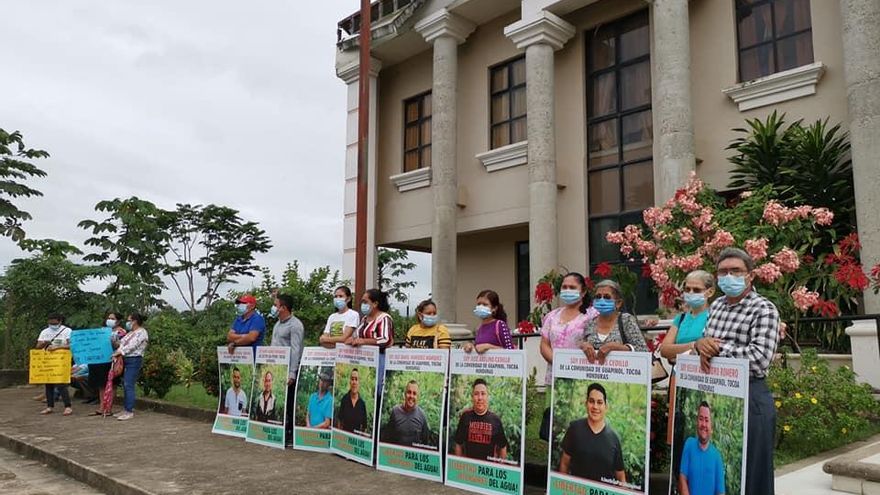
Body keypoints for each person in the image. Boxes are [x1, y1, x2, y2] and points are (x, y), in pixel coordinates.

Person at [695, 247, 780, 495]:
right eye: (723, 271)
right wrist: (701, 345)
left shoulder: (763, 309)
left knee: (754, 475)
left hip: (752, 397)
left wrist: (718, 348)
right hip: (718, 395)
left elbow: (760, 359)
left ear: (750, 275)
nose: (729, 276)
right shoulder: (717, 306)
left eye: (736, 271)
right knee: (728, 472)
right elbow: (704, 343)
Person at [559, 383, 626, 486]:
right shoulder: (574, 429)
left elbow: (620, 476)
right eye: (591, 401)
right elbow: (564, 463)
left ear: (606, 406)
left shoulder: (614, 438)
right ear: (586, 403)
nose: (595, 406)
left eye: (599, 402)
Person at [540, 272, 599, 385]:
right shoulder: (552, 316)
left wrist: (570, 366)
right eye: (564, 287)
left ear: (583, 291)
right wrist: (560, 364)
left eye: (572, 287)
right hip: (554, 377)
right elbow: (544, 344)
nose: (567, 290)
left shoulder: (593, 315)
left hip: (582, 378)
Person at [580, 280, 649, 364]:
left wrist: (620, 348)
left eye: (607, 297)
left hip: (623, 373)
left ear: (618, 303)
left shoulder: (626, 320)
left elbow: (643, 350)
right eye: (598, 297)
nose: (602, 300)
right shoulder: (590, 323)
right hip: (594, 373)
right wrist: (583, 346)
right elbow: (583, 346)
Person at [269, 293, 304, 440]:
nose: (273, 308)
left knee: (289, 403)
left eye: (276, 305)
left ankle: (290, 432)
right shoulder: (277, 324)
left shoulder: (295, 325)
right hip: (276, 369)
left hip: (288, 371)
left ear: (283, 308)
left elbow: (296, 350)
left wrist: (292, 373)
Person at [661, 270, 715, 361]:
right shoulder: (680, 318)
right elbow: (664, 350)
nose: (691, 293)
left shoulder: (714, 316)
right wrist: (694, 345)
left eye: (696, 290)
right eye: (687, 289)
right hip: (680, 371)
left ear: (710, 292)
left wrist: (676, 350)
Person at [348, 288, 393, 395]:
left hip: (379, 360)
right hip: (364, 361)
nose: (362, 305)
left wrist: (364, 341)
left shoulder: (384, 318)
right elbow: (356, 336)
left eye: (365, 302)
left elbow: (385, 339)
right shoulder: (364, 319)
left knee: (375, 390)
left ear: (375, 303)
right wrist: (351, 339)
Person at [453, 378, 508, 462]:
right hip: (468, 469)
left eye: (483, 394)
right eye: (476, 394)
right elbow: (458, 444)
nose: (480, 398)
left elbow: (503, 446)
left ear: (487, 396)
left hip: (487, 470)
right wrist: (458, 464)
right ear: (472, 397)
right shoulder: (465, 417)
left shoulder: (495, 420)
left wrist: (500, 467)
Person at [679, 401, 726, 495]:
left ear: (711, 426)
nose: (703, 424)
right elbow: (682, 478)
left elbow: (720, 493)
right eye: (701, 419)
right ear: (697, 421)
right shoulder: (689, 444)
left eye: (707, 420)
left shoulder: (717, 457)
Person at [112, 312, 149, 421]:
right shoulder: (130, 333)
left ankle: (129, 410)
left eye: (129, 320)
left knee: (129, 384)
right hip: (125, 359)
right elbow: (122, 344)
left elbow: (133, 346)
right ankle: (126, 408)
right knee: (125, 384)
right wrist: (116, 347)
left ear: (135, 321)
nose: (127, 323)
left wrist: (120, 352)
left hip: (134, 359)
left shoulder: (142, 332)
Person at [87, 311, 125, 413]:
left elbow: (122, 346)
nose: (110, 320)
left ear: (118, 321)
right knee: (101, 384)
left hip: (112, 360)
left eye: (113, 319)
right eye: (109, 318)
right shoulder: (102, 331)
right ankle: (101, 407)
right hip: (100, 360)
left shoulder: (121, 332)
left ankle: (108, 408)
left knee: (112, 384)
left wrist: (114, 343)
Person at [36, 313, 73, 416]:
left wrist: (58, 347)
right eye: (50, 323)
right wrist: (44, 343)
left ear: (60, 321)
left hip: (61, 360)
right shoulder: (44, 332)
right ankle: (49, 406)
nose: (52, 325)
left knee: (61, 384)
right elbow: (38, 346)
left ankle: (67, 406)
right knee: (48, 384)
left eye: (54, 323)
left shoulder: (67, 331)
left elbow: (71, 345)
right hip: (48, 361)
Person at [382, 380, 432, 447]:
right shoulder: (395, 411)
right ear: (404, 394)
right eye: (409, 392)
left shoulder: (422, 415)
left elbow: (425, 444)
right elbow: (388, 439)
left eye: (414, 393)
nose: (411, 396)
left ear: (417, 397)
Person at [336, 368, 367, 434]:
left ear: (359, 382)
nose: (354, 382)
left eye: (356, 379)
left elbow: (364, 427)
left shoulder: (362, 404)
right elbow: (339, 420)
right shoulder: (344, 399)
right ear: (350, 382)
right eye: (352, 379)